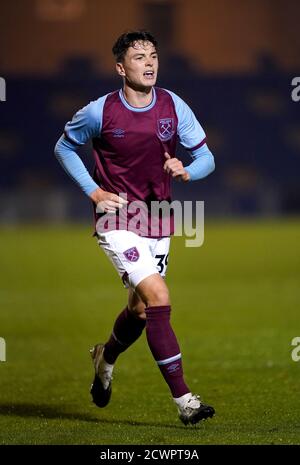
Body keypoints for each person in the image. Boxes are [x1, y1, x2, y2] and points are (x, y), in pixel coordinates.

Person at [54, 30, 216, 425]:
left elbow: (206, 157)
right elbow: (63, 147)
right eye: (139, 56)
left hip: (157, 218)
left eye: (154, 56)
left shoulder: (174, 105)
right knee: (159, 296)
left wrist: (187, 170)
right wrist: (93, 192)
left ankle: (104, 359)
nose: (149, 63)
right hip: (116, 217)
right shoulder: (99, 112)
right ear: (120, 68)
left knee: (141, 310)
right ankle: (185, 402)